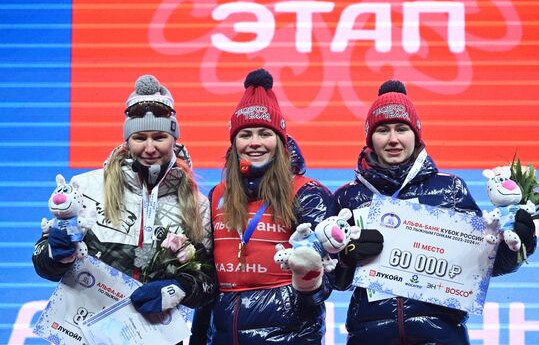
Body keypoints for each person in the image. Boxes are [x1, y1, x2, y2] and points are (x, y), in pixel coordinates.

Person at [331, 80, 537, 344]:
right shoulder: (348, 196)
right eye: (383, 130)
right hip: (370, 335)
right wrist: (346, 258)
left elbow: (482, 265)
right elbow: (333, 281)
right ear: (370, 137)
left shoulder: (450, 188)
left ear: (415, 134)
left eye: (402, 129)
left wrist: (517, 246)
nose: (393, 139)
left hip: (441, 334)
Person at [32, 74, 216, 314]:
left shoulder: (196, 205)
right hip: (87, 332)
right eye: (140, 138)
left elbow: (208, 281)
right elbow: (42, 263)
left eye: (160, 137)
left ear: (174, 139)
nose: (150, 148)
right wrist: (55, 254)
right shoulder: (86, 187)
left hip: (156, 335)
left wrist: (178, 288)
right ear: (127, 140)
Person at [190, 68, 333, 344]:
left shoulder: (307, 192)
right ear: (234, 143)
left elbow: (329, 280)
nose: (254, 143)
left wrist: (309, 280)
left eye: (264, 133)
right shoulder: (217, 195)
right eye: (245, 135)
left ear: (280, 142)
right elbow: (208, 279)